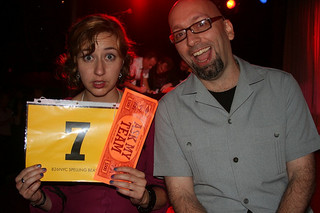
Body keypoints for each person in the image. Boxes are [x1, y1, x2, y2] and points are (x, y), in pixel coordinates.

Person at [153, 0, 320, 212]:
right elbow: (181, 194)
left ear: (228, 29)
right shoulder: (169, 110)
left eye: (201, 24)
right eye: (180, 34)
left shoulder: (282, 87)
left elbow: (302, 174)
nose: (192, 40)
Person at [15, 14, 168, 213]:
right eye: (88, 57)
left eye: (109, 56)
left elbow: (164, 192)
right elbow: (56, 198)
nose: (99, 70)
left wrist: (145, 197)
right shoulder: (56, 115)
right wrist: (38, 197)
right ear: (75, 63)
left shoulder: (144, 114)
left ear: (123, 61)